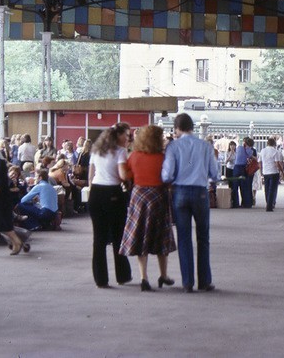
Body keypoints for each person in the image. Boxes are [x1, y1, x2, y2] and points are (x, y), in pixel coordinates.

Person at [161, 113, 219, 293]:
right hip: (201, 193)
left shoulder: (173, 147)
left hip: (180, 193)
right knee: (203, 238)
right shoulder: (205, 146)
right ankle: (204, 281)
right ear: (192, 127)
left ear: (177, 128)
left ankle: (187, 282)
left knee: (184, 238)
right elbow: (214, 173)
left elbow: (167, 175)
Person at [120, 125, 176, 292]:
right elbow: (168, 179)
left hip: (139, 198)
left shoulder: (134, 156)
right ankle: (163, 275)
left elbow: (127, 176)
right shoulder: (163, 157)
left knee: (141, 235)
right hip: (158, 197)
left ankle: (144, 277)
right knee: (161, 236)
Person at [87, 123, 132, 288]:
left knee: (98, 239)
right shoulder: (120, 152)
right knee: (118, 236)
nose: (128, 139)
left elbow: (90, 177)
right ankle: (122, 275)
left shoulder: (96, 151)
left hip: (96, 193)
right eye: (126, 135)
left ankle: (100, 279)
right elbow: (122, 175)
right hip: (113, 193)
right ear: (118, 136)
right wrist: (128, 178)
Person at [258, 137, 284, 212]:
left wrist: (261, 171)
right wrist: (281, 172)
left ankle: (268, 202)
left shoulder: (262, 151)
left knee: (266, 189)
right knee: (272, 189)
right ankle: (270, 205)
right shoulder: (275, 152)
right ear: (274, 144)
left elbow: (259, 162)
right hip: (274, 172)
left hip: (265, 172)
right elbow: (277, 163)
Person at [231, 137, 256, 209]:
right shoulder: (250, 150)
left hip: (236, 167)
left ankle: (235, 203)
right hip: (243, 168)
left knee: (235, 186)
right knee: (243, 187)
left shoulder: (239, 148)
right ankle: (246, 203)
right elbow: (250, 156)